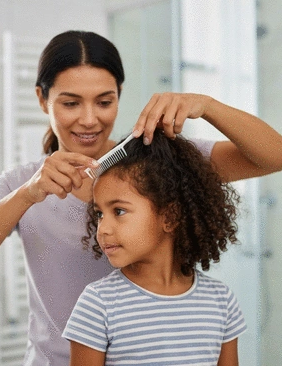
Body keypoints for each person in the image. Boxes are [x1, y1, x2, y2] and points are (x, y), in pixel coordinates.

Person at [0, 30, 282, 365]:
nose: (89, 119)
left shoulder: (152, 164)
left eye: (104, 101)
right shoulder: (21, 183)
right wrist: (26, 195)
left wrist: (206, 105)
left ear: (119, 95)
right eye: (71, 103)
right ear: (41, 99)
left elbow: (277, 156)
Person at [63, 130, 246, 365]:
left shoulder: (221, 301)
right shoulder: (99, 303)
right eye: (99, 214)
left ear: (169, 217)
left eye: (118, 211)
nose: (103, 229)